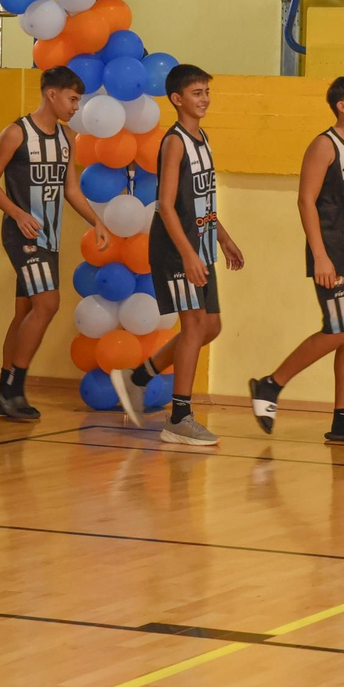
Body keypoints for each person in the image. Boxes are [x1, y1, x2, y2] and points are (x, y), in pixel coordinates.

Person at [248, 76, 344, 445]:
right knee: (340, 329)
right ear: (343, 105)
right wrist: (320, 256)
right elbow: (305, 201)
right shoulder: (324, 145)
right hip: (334, 254)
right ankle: (271, 384)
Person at [109, 64, 244, 445]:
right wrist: (187, 254)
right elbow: (166, 206)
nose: (205, 99)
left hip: (200, 244)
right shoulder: (174, 142)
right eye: (197, 93)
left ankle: (138, 376)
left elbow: (202, 201)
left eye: (207, 92)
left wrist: (222, 238)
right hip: (176, 249)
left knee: (210, 326)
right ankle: (180, 416)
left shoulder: (202, 139)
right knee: (195, 325)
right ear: (177, 99)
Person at [0, 66, 110, 420]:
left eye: (78, 100)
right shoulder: (16, 133)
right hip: (23, 236)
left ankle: (4, 390)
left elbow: (70, 189)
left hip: (48, 236)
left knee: (25, 311)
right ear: (51, 94)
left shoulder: (66, 138)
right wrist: (17, 213)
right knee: (48, 304)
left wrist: (95, 221)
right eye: (71, 99)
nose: (75, 107)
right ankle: (14, 389)